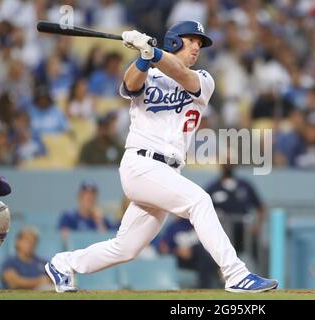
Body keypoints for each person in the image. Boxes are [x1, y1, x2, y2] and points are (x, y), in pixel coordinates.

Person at [45, 20, 277, 293]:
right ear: (175, 41)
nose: (196, 47)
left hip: (167, 172)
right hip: (140, 164)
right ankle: (236, 274)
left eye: (199, 43)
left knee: (126, 247)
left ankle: (64, 263)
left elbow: (180, 73)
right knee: (199, 201)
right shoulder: (149, 74)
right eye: (191, 40)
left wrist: (152, 52)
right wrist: (143, 58)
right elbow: (130, 83)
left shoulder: (204, 78)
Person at [206, 163, 266, 258]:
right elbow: (204, 211)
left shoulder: (244, 186)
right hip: (223, 233)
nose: (228, 165)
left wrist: (257, 226)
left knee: (261, 252)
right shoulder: (213, 188)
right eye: (225, 162)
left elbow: (260, 207)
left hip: (245, 232)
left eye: (230, 162)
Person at [158, 216, 220, 289]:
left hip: (199, 260)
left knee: (201, 252)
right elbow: (163, 248)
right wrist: (177, 251)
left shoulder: (199, 225)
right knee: (200, 252)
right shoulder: (173, 227)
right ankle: (219, 272)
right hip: (182, 260)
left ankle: (206, 287)